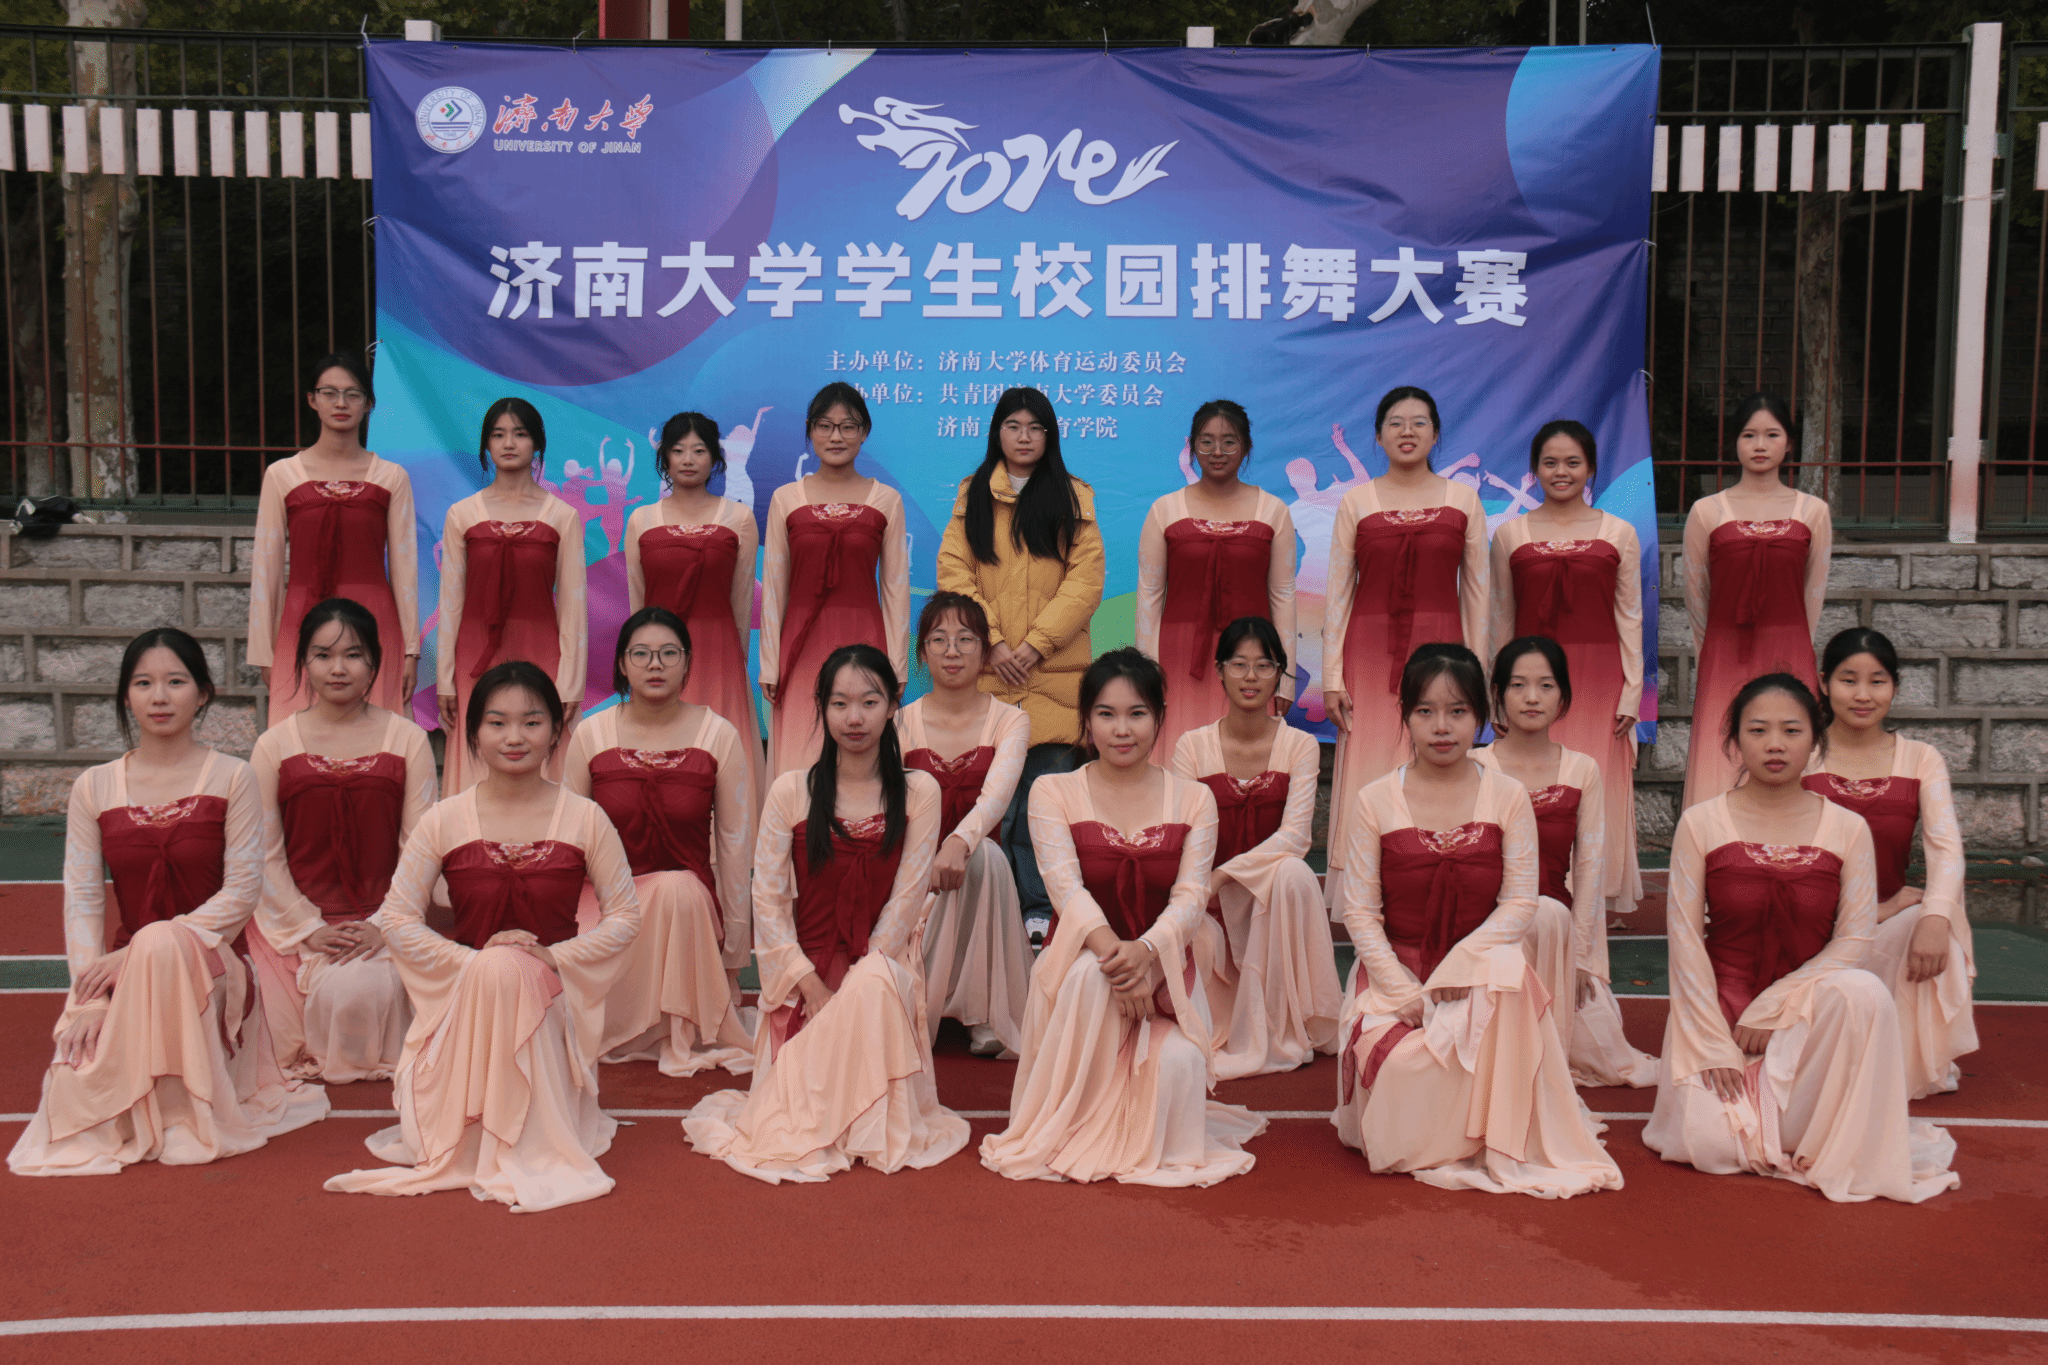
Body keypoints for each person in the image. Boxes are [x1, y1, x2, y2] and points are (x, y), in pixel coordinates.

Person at [10, 628, 329, 1175]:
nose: (159, 697)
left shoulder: (233, 777)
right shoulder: (94, 786)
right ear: (126, 696)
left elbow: (241, 894)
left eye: (175, 682)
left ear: (203, 693)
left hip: (214, 967)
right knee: (73, 1086)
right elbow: (82, 901)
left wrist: (143, 951)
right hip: (119, 973)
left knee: (158, 940)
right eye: (143, 684)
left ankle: (189, 1116)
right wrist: (90, 1000)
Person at [326, 663, 640, 1212]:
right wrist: (472, 963)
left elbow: (625, 918)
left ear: (556, 731)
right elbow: (396, 917)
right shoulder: (444, 819)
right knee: (497, 967)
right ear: (472, 733)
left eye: (531, 722)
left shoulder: (586, 818)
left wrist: (553, 956)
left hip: (548, 1013)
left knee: (510, 969)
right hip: (462, 1004)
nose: (514, 737)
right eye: (497, 723)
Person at [1646, 673, 1959, 1202]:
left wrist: (1774, 1006)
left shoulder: (1847, 828)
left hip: (1805, 1018)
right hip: (1718, 1017)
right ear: (1734, 740)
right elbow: (1684, 940)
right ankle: (1786, 1117)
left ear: (1815, 739)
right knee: (1708, 1146)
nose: (1775, 744)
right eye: (1758, 730)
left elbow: (1854, 940)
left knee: (1863, 990)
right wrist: (1712, 1043)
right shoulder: (1701, 823)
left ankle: (1814, 1120)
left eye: (1791, 730)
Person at [1332, 643, 1622, 1198]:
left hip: (1478, 977)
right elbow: (1361, 912)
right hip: (1398, 979)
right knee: (1406, 1072)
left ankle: (1497, 1131)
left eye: (1458, 711)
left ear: (1482, 717)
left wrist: (1462, 966)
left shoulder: (1506, 795)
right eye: (1426, 711)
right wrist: (1403, 990)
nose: (1442, 727)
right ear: (1406, 716)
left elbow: (1520, 902)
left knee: (1511, 976)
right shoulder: (1374, 799)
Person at [981, 648, 1268, 1187]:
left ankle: (1129, 1126)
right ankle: (1075, 1128)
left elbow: (1191, 898)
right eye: (1106, 714)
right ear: (1086, 720)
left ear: (1159, 718)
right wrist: (1120, 960)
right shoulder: (1053, 790)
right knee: (1091, 979)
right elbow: (1065, 888)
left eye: (1137, 713)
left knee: (1180, 1066)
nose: (1121, 729)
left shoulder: (1194, 798)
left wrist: (1147, 954)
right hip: (1081, 963)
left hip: (1166, 970)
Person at [683, 645, 965, 1183]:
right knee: (784, 1123)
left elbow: (906, 901)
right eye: (839, 704)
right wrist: (810, 986)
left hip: (879, 968)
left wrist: (858, 982)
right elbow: (767, 901)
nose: (854, 718)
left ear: (893, 705)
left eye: (869, 702)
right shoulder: (790, 790)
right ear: (822, 708)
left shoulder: (919, 791)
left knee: (876, 984)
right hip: (804, 973)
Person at [937, 386, 1105, 938]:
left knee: (1043, 803)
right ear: (997, 433)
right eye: (1013, 426)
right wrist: (993, 643)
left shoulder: (1074, 498)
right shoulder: (972, 495)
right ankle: (987, 911)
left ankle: (1038, 910)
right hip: (989, 675)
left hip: (1053, 678)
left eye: (1036, 427)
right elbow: (955, 572)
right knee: (992, 806)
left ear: (1050, 436)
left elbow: (1085, 583)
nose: (1025, 437)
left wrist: (1034, 645)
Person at [247, 599, 436, 1084]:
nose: (338, 668)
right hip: (291, 930)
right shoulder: (274, 745)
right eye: (323, 655)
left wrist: (382, 926)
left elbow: (420, 851)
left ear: (375, 662)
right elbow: (263, 854)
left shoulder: (407, 740)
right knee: (250, 1023)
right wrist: (308, 929)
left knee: (357, 992)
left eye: (353, 655)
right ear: (303, 663)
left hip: (383, 926)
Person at [563, 608, 755, 1078]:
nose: (655, 664)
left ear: (687, 663)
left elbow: (734, 849)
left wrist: (733, 958)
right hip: (605, 909)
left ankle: (674, 1023)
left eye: (669, 653)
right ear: (621, 664)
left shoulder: (718, 734)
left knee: (677, 887)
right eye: (641, 654)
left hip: (685, 913)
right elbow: (567, 843)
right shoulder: (591, 733)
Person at [1322, 387, 1488, 906]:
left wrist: (1478, 675)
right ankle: (1364, 893)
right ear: (1378, 436)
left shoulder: (1462, 500)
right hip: (1368, 656)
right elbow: (1338, 594)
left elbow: (1479, 595)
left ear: (1436, 434)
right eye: (1395, 423)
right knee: (1369, 765)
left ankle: (1441, 880)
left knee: (1439, 759)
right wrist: (1332, 677)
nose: (1407, 432)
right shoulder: (1357, 502)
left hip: (1444, 655)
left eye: (1419, 422)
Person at [1474, 636, 1659, 1088]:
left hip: (1557, 938)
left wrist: (1579, 962)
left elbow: (1590, 871)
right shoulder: (1475, 766)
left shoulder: (1582, 769)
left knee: (1608, 1058)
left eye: (1546, 685)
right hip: (1488, 938)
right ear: (1498, 694)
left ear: (1564, 698)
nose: (1532, 698)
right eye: (1518, 685)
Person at [1806, 627, 1976, 1098]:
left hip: (1882, 934)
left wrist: (1936, 918)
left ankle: (1905, 1066)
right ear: (1824, 682)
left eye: (1877, 681)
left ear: (1895, 687)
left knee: (1934, 919)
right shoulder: (1800, 754)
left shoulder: (1921, 758)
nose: (1863, 695)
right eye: (1848, 680)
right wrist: (1877, 910)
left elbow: (1946, 849)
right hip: (1811, 932)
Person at [1169, 617, 1341, 1079]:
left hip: (1270, 901)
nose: (1251, 677)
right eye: (1239, 665)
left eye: (1264, 666)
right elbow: (1186, 837)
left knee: (1294, 872)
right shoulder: (1191, 747)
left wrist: (1223, 876)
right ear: (1219, 670)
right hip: (1208, 904)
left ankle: (1289, 1019)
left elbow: (1296, 837)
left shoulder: (1300, 745)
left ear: (1280, 674)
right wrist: (1204, 889)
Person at [1487, 420, 1644, 918]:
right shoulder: (1510, 534)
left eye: (1573, 462)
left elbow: (1630, 616)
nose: (1562, 472)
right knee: (1532, 786)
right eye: (1550, 462)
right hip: (1531, 684)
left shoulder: (1618, 533)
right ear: (1534, 470)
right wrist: (1496, 695)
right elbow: (1501, 619)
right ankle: (1525, 892)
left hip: (1600, 681)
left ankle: (1593, 898)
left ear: (1591, 468)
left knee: (1594, 784)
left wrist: (1632, 691)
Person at [896, 592, 1033, 1057]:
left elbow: (996, 799)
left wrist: (958, 842)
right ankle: (920, 999)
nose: (952, 651)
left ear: (985, 651)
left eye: (965, 639)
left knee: (986, 855)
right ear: (922, 653)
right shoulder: (900, 724)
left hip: (981, 878)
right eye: (939, 640)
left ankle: (984, 1011)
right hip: (917, 876)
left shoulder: (1011, 720)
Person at [248, 353, 419, 726]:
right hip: (300, 623)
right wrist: (264, 651)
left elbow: (405, 570)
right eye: (329, 393)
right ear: (312, 399)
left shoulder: (392, 477)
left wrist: (410, 651)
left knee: (375, 735)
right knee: (297, 738)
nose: (341, 403)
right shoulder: (281, 475)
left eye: (353, 394)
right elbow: (266, 570)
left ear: (369, 403)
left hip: (375, 625)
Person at [1680, 393, 1831, 809]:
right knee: (1721, 751)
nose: (1760, 445)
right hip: (1724, 653)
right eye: (1749, 435)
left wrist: (1797, 645)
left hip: (1791, 649)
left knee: (1790, 743)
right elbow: (1696, 594)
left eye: (1772, 435)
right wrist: (1712, 651)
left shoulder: (1813, 511)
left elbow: (1813, 594)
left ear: (1789, 443)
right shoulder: (1706, 511)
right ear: (1735, 442)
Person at [436, 398, 588, 794]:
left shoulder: (562, 516)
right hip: (474, 656)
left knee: (542, 752)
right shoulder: (462, 514)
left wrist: (570, 683)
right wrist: (445, 678)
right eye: (498, 434)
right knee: (477, 754)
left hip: (542, 651)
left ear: (536, 444)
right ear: (486, 444)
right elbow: (450, 604)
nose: (509, 443)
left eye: (520, 434)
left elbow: (573, 609)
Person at [760, 384, 910, 779]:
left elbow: (895, 591)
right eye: (825, 426)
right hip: (800, 646)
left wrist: (897, 666)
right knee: (799, 757)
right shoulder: (786, 498)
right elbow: (773, 588)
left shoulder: (886, 499)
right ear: (810, 431)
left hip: (866, 641)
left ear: (864, 433)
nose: (836, 437)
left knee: (861, 761)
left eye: (848, 426)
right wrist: (770, 663)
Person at [1137, 400, 1298, 760]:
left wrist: (1284, 677)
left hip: (1251, 661)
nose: (1217, 452)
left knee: (1243, 763)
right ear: (1192, 446)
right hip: (1178, 657)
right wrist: (1147, 675)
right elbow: (1149, 597)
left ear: (1246, 447)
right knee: (1178, 758)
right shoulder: (1166, 509)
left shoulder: (1273, 510)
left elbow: (1283, 596)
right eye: (1206, 441)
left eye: (1229, 441)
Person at [624, 411, 766, 812]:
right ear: (664, 458)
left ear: (715, 459)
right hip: (658, 661)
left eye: (699, 450)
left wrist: (735, 663)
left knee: (721, 760)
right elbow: (638, 606)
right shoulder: (641, 520)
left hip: (719, 657)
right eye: (678, 450)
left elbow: (741, 602)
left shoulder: (738, 518)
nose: (688, 459)